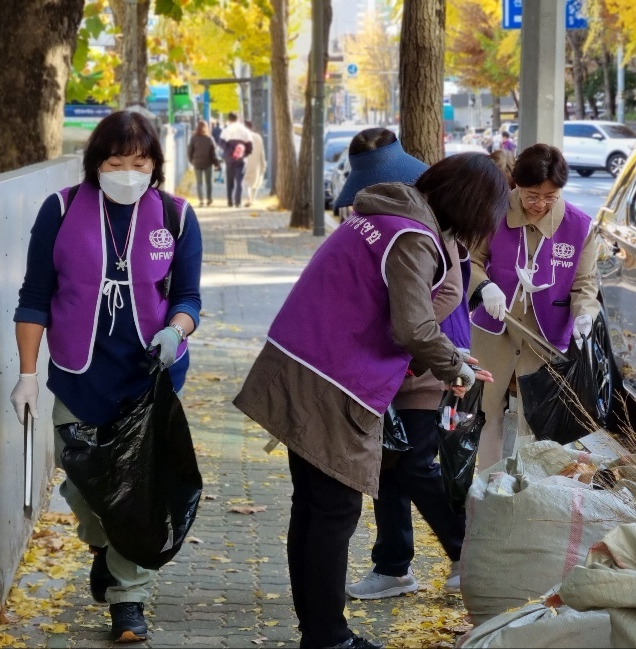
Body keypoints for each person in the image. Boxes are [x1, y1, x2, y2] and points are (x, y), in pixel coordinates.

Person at [234, 153, 507, 649]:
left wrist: (450, 355)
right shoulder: (413, 238)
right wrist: (456, 366)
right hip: (332, 380)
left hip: (303, 362)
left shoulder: (383, 217)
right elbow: (414, 326)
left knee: (315, 509)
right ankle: (328, 637)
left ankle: (319, 633)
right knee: (332, 513)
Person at [8, 110, 203, 643]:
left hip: (148, 379)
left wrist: (177, 332)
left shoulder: (176, 216)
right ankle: (104, 547)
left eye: (139, 162)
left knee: (136, 493)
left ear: (155, 165)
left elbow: (188, 298)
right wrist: (27, 374)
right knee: (88, 487)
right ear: (96, 163)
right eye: (115, 161)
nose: (127, 171)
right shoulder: (62, 210)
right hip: (79, 374)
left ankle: (128, 599)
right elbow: (34, 297)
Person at [328, 129, 470, 601]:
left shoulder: (423, 222)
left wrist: (406, 326)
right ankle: (392, 565)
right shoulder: (365, 217)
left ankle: (465, 551)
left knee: (414, 464)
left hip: (426, 363)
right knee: (388, 463)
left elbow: (450, 289)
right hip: (379, 368)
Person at [469, 144, 600, 470]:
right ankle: (487, 487)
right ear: (516, 184)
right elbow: (470, 260)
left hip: (545, 337)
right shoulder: (491, 212)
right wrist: (486, 287)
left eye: (550, 196)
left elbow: (585, 284)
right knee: (487, 412)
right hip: (494, 331)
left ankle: (529, 492)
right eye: (531, 195)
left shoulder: (579, 227)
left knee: (537, 422)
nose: (540, 204)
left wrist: (585, 315)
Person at [218, 112, 255, 207]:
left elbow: (221, 142)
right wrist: (243, 154)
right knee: (239, 181)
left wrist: (230, 151)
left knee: (229, 180)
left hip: (229, 159)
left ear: (229, 119)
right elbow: (250, 146)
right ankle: (237, 201)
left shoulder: (226, 130)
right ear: (238, 119)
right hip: (241, 159)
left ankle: (229, 201)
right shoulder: (245, 130)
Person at [188, 120, 220, 207]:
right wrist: (216, 163)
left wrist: (192, 160)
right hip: (208, 163)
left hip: (197, 163)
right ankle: (209, 199)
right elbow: (213, 153)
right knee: (208, 182)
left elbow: (190, 151)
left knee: (199, 183)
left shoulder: (193, 138)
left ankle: (201, 200)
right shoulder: (209, 139)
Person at [242, 119, 267, 206]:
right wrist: (263, 164)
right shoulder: (258, 137)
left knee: (245, 182)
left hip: (246, 163)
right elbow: (262, 152)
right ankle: (253, 199)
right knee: (256, 182)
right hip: (257, 163)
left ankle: (248, 198)